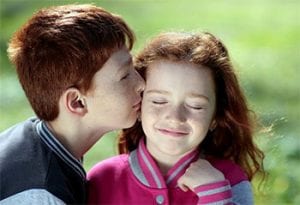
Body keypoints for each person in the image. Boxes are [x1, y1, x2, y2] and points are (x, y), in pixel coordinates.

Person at [87, 32, 265, 205]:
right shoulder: (102, 178)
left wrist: (215, 196)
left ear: (215, 117)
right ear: (139, 105)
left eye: (196, 106)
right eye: (159, 101)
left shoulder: (231, 179)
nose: (175, 117)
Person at [0, 4, 145, 204]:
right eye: (125, 75)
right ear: (77, 102)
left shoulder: (34, 141)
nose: (141, 84)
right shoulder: (41, 195)